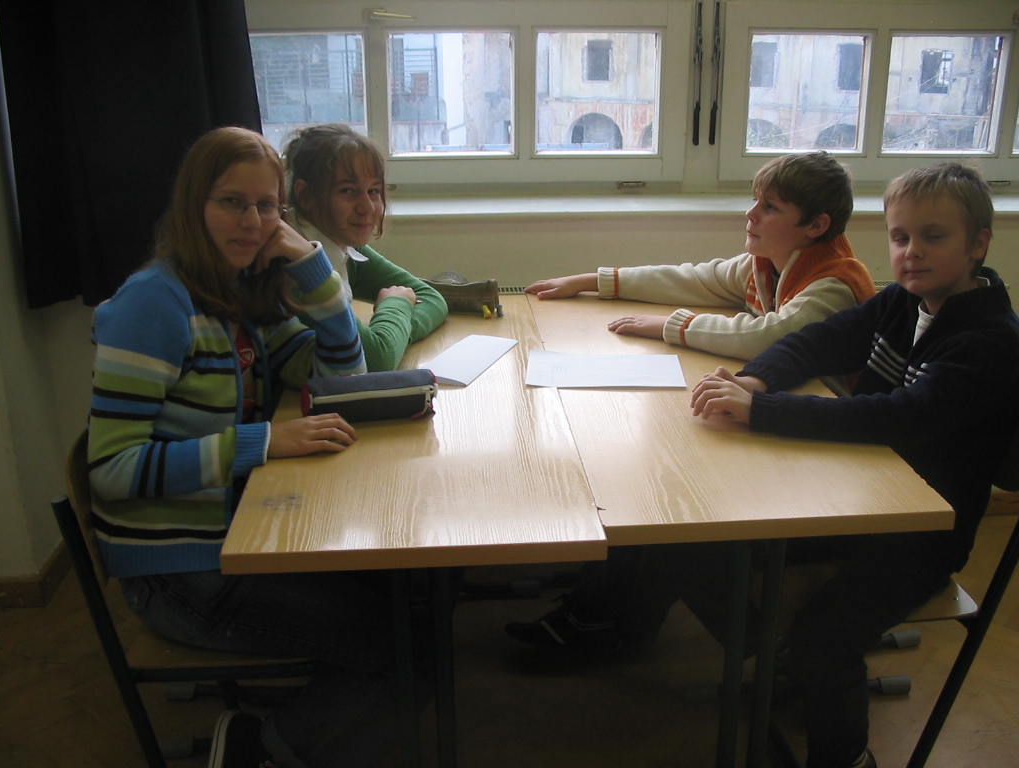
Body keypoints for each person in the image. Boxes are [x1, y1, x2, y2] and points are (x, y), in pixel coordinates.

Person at [511, 163, 1019, 768]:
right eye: (900, 236)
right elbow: (814, 341)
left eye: (933, 237)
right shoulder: (900, 302)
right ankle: (636, 632)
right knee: (684, 526)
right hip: (859, 490)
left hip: (919, 535)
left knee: (823, 637)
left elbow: (896, 417)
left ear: (978, 244)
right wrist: (754, 380)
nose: (911, 252)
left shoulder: (989, 340)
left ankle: (842, 751)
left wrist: (762, 410)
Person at [89, 126, 405, 768]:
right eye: (232, 202)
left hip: (240, 534)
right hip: (179, 573)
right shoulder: (155, 303)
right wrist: (263, 442)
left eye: (267, 206)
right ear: (193, 205)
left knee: (406, 597)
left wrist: (313, 267)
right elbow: (112, 469)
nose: (253, 222)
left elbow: (338, 376)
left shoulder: (238, 291)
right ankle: (258, 748)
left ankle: (307, 715)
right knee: (403, 649)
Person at [524, 151, 875, 360]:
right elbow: (694, 279)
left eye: (770, 207)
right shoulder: (769, 261)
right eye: (755, 201)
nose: (751, 214)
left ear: (816, 225)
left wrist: (672, 326)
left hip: (837, 415)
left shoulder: (832, 286)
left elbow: (767, 337)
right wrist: (591, 281)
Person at [284, 123, 448, 371]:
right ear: (305, 196)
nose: (367, 208)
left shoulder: (340, 240)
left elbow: (432, 298)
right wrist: (396, 306)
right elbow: (377, 359)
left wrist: (392, 337)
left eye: (373, 191)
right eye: (348, 191)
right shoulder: (300, 267)